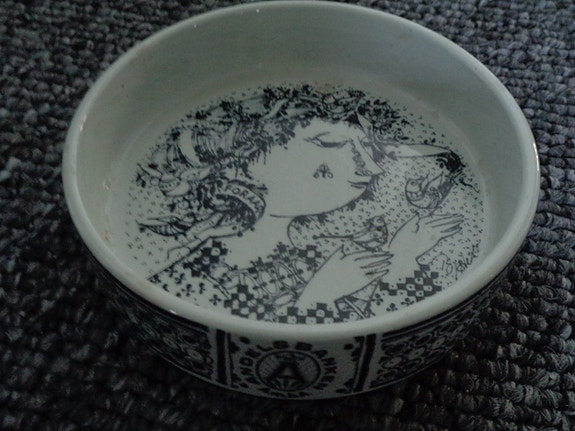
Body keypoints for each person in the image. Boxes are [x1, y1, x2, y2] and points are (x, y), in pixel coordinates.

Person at [133, 85, 477, 323]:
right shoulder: (195, 275)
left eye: (364, 152)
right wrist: (318, 298)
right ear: (247, 157)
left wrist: (403, 255)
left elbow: (387, 324)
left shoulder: (319, 252)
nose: (369, 169)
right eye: (330, 144)